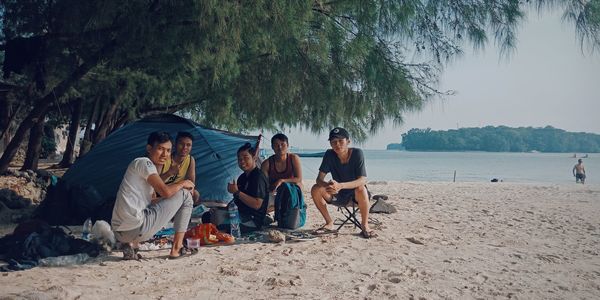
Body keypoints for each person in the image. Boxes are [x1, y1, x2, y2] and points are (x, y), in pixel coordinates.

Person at [111, 131, 195, 260]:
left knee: (175, 196)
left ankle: (131, 245)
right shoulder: (145, 162)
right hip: (136, 227)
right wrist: (183, 183)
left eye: (168, 150)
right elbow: (165, 192)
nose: (165, 154)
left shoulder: (140, 165)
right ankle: (177, 249)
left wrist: (172, 204)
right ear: (149, 148)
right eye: (160, 149)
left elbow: (153, 200)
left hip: (120, 232)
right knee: (186, 195)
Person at [311, 127, 376, 239]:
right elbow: (319, 179)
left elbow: (362, 179)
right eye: (334, 142)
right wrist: (328, 185)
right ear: (330, 144)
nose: (337, 144)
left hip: (358, 196)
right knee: (315, 188)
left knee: (360, 188)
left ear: (348, 141)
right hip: (339, 195)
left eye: (341, 141)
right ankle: (329, 223)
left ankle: (365, 225)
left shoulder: (357, 153)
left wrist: (341, 185)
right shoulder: (329, 154)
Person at [227, 142, 269, 232]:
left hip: (252, 220)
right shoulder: (242, 178)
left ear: (254, 158)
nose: (242, 161)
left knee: (218, 222)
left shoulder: (258, 177)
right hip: (240, 214)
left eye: (246, 158)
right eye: (239, 159)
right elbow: (236, 203)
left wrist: (237, 192)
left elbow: (257, 205)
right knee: (208, 216)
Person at [261, 133, 303, 210]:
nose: (280, 147)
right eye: (276, 145)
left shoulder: (293, 158)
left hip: (291, 190)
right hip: (274, 191)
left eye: (282, 144)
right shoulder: (266, 164)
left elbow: (299, 178)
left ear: (287, 145)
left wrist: (282, 181)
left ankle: (298, 209)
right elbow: (264, 184)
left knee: (299, 185)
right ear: (272, 147)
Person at [160, 131, 201, 204]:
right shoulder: (165, 157)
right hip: (162, 190)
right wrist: (169, 173)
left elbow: (191, 182)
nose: (184, 147)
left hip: (177, 189)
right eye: (181, 144)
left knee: (196, 194)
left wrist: (184, 187)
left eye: (188, 145)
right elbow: (155, 183)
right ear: (175, 144)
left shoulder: (190, 160)